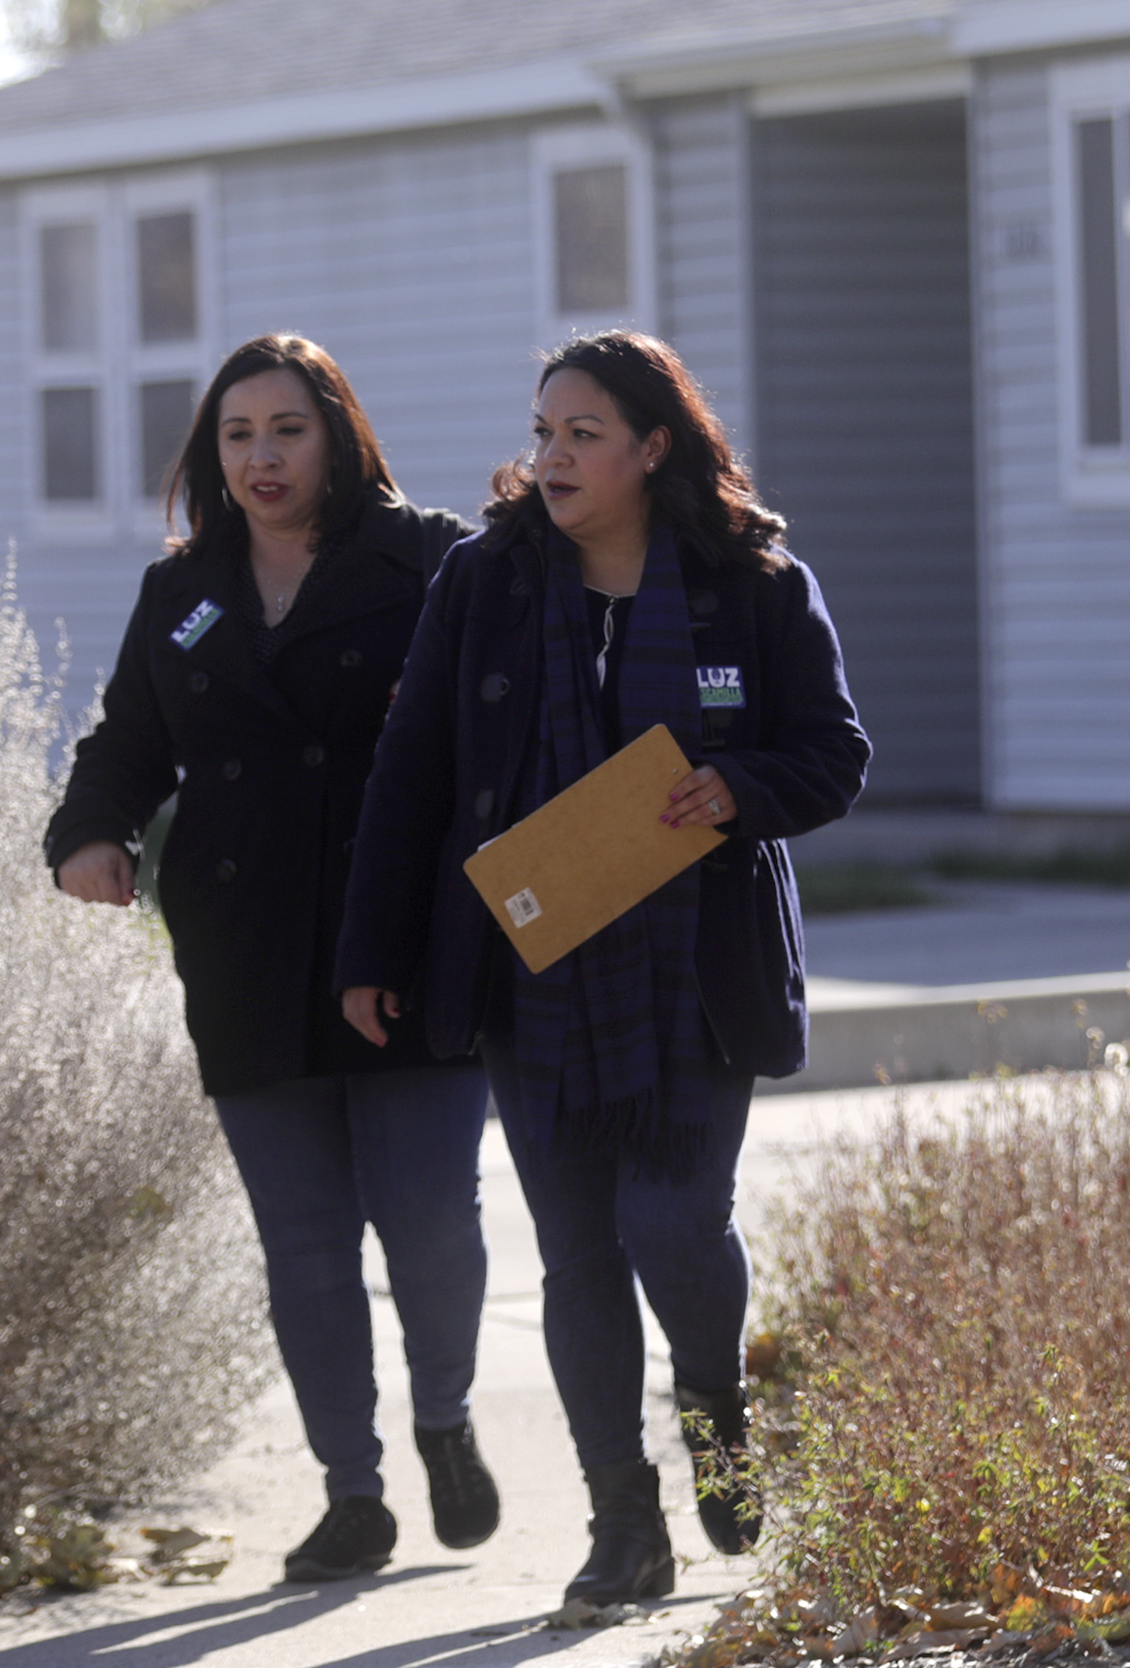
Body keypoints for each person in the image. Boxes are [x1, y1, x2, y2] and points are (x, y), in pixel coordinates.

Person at [335, 331, 868, 1605]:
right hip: (536, 967)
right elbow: (411, 769)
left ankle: (717, 1416)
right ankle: (622, 1520)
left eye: (582, 434)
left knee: (674, 1222)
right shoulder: (486, 581)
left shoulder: (758, 584)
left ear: (653, 446)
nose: (553, 457)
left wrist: (735, 787)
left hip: (699, 966)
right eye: (542, 432)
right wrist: (372, 950)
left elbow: (833, 755)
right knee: (575, 1254)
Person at [47, 334, 499, 1583]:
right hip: (247, 952)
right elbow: (128, 741)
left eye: (287, 429)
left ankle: (445, 1419)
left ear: (337, 436)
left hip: (403, 935)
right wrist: (89, 829)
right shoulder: (181, 593)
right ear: (211, 455)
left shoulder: (430, 561)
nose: (261, 456)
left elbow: (507, 723)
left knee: (428, 1223)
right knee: (304, 1246)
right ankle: (352, 1492)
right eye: (237, 434)